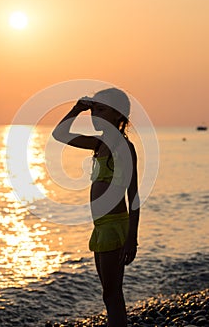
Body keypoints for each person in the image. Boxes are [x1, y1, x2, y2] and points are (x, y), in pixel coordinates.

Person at [52, 88, 140, 327]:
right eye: (94, 110)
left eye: (101, 109)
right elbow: (60, 134)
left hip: (115, 226)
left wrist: (132, 238)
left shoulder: (124, 147)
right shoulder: (98, 144)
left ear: (117, 115)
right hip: (100, 227)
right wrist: (78, 108)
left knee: (113, 294)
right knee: (108, 294)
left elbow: (134, 196)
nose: (94, 114)